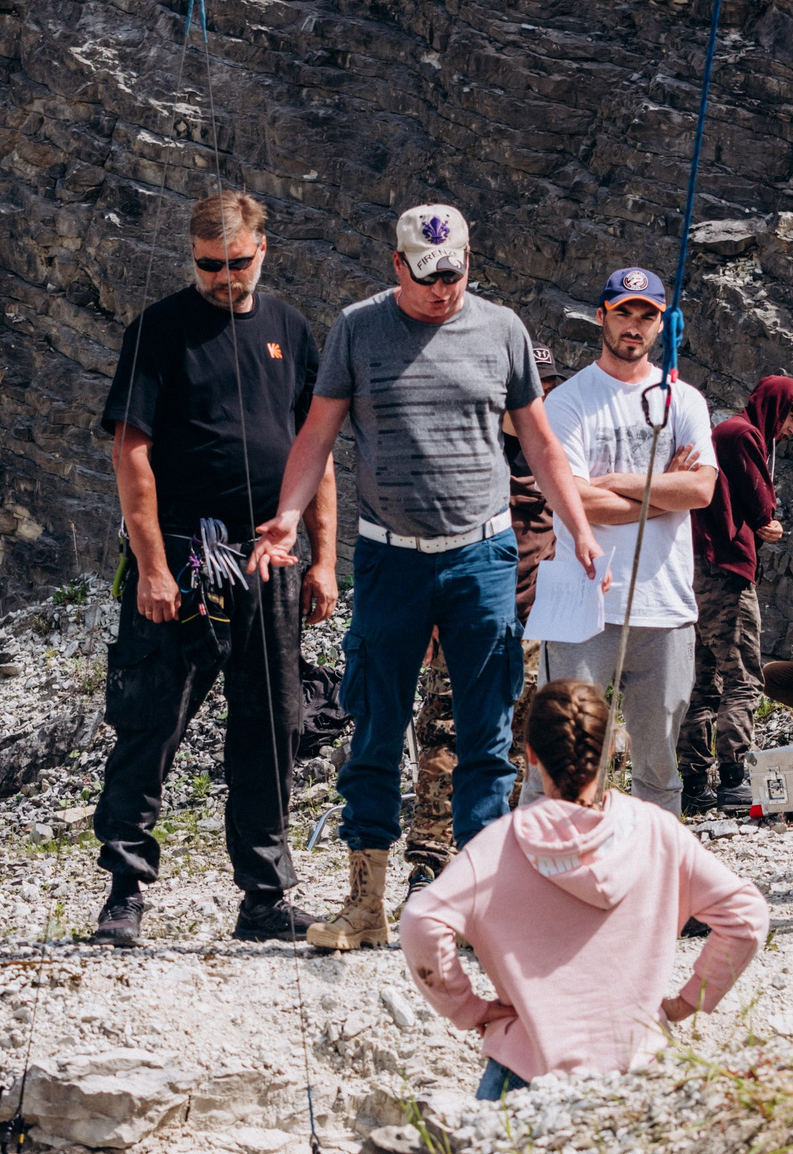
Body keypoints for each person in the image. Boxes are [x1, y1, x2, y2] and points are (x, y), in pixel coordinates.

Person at [255, 204, 601, 951]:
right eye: (428, 274)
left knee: (487, 734)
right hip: (389, 557)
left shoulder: (502, 329)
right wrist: (288, 517)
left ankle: (483, 903)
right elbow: (316, 433)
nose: (444, 288)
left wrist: (578, 525)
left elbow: (539, 443)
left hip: (481, 555)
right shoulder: (357, 328)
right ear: (397, 265)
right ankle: (365, 903)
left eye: (457, 271)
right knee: (376, 727)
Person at [91, 191, 334, 946]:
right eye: (206, 265)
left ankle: (263, 896)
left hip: (271, 557)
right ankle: (126, 889)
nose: (221, 278)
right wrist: (152, 567)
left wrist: (325, 557)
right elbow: (131, 455)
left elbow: (313, 448)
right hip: (186, 556)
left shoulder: (290, 328)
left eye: (234, 263)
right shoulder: (158, 330)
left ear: (264, 248)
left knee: (271, 723)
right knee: (151, 718)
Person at [398, 679, 768, 1096]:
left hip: (527, 1068)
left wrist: (469, 1008)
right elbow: (747, 917)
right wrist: (690, 1000)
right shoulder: (657, 830)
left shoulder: (499, 845)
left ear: (531, 755)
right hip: (642, 1070)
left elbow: (419, 921)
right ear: (611, 750)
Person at [538, 269, 718, 814]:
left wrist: (614, 484)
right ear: (602, 316)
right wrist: (665, 492)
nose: (634, 326)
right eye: (624, 312)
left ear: (662, 323)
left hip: (663, 606)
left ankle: (654, 885)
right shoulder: (567, 401)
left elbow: (703, 488)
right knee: (566, 758)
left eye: (647, 315)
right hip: (582, 603)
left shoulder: (683, 400)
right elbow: (569, 500)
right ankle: (558, 882)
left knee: (659, 766)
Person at [403, 345, 569, 888]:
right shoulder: (471, 455)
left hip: (539, 620)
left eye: (548, 390)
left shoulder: (555, 454)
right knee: (450, 734)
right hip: (468, 614)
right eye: (530, 389)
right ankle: (431, 860)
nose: (539, 400)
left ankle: (504, 864)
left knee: (527, 742)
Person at [683, 375, 793, 811]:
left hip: (697, 571)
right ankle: (734, 778)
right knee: (743, 678)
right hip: (727, 571)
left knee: (704, 681)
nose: (792, 430)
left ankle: (694, 783)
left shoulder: (722, 432)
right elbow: (763, 508)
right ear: (778, 407)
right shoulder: (743, 434)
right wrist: (768, 524)